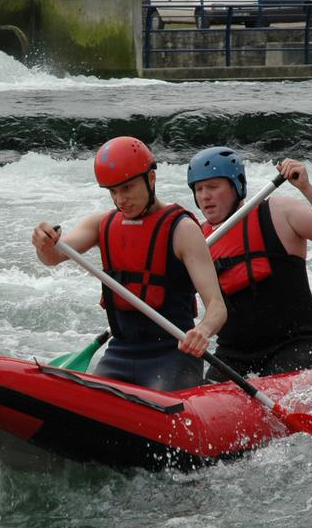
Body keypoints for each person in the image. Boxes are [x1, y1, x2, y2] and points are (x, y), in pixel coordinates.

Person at [32, 136, 226, 391]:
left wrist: (203, 329)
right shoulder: (102, 225)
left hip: (172, 355)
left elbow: (217, 306)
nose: (120, 199)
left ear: (151, 179)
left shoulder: (182, 230)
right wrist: (44, 243)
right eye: (113, 191)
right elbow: (53, 257)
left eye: (127, 188)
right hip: (120, 355)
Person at [186, 147, 312, 381]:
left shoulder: (277, 213)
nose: (204, 196)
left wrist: (306, 188)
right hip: (233, 356)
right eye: (199, 189)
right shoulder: (196, 240)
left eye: (213, 187)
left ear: (237, 186)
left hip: (293, 346)